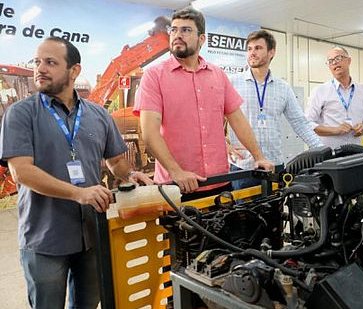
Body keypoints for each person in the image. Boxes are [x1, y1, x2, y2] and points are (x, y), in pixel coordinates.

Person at [0, 37, 153, 309]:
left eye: (50, 62)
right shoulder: (20, 114)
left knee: (87, 303)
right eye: (37, 62)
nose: (40, 69)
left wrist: (129, 175)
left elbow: (116, 160)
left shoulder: (98, 115)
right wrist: (79, 193)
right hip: (44, 236)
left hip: (91, 233)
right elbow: (21, 172)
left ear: (74, 71)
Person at [134, 7, 274, 201]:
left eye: (186, 30)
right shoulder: (154, 76)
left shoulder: (217, 75)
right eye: (173, 30)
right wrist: (176, 171)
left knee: (222, 231)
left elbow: (237, 119)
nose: (177, 35)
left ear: (201, 39)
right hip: (177, 186)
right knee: (180, 232)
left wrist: (258, 156)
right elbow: (149, 132)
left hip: (219, 182)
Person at [228, 29, 323, 189]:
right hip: (244, 166)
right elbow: (213, 118)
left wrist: (321, 150)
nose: (252, 53)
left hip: (274, 166)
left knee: (274, 212)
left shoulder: (283, 87)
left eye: (258, 48)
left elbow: (300, 123)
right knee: (242, 214)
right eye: (249, 49)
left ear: (271, 52)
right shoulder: (232, 83)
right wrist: (225, 145)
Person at [305, 46, 363, 149]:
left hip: (356, 153)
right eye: (330, 61)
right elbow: (307, 123)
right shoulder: (320, 91)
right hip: (329, 155)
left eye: (338, 58)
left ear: (349, 61)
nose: (334, 63)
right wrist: (336, 130)